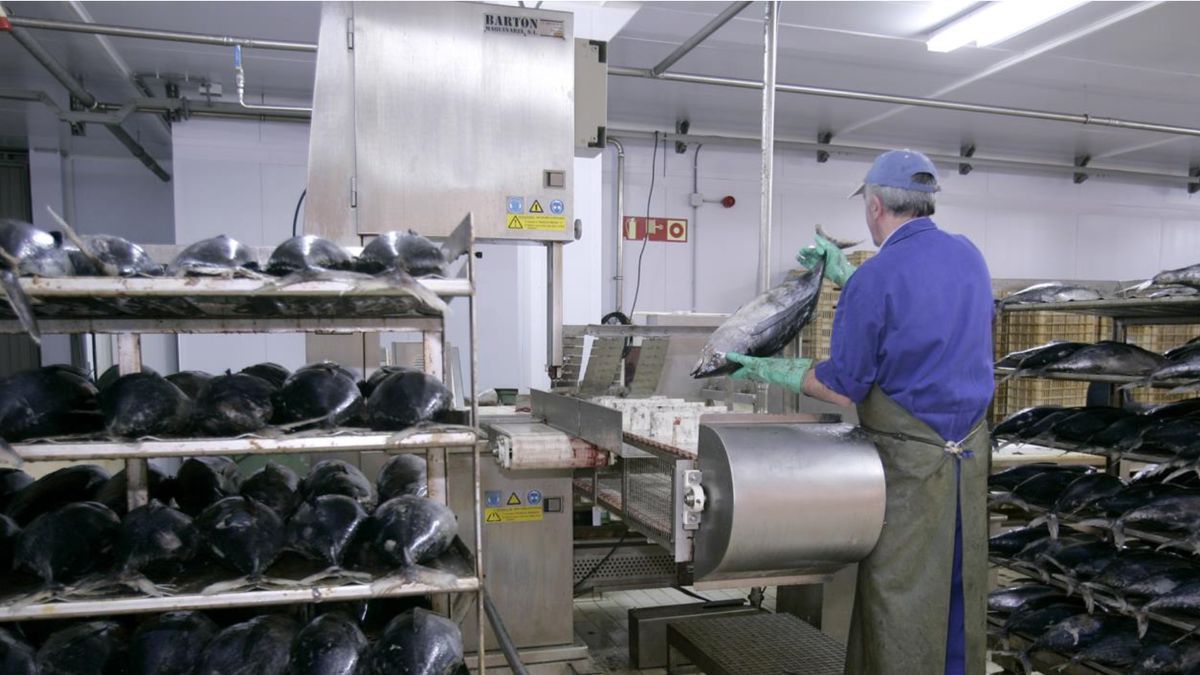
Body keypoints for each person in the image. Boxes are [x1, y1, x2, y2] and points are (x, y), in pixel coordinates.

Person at [726, 149, 994, 675]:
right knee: (961, 581)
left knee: (902, 593)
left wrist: (764, 368)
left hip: (911, 470)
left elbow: (842, 386)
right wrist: (848, 274)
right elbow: (920, 309)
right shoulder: (969, 256)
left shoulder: (877, 278)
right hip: (969, 460)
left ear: (875, 206)